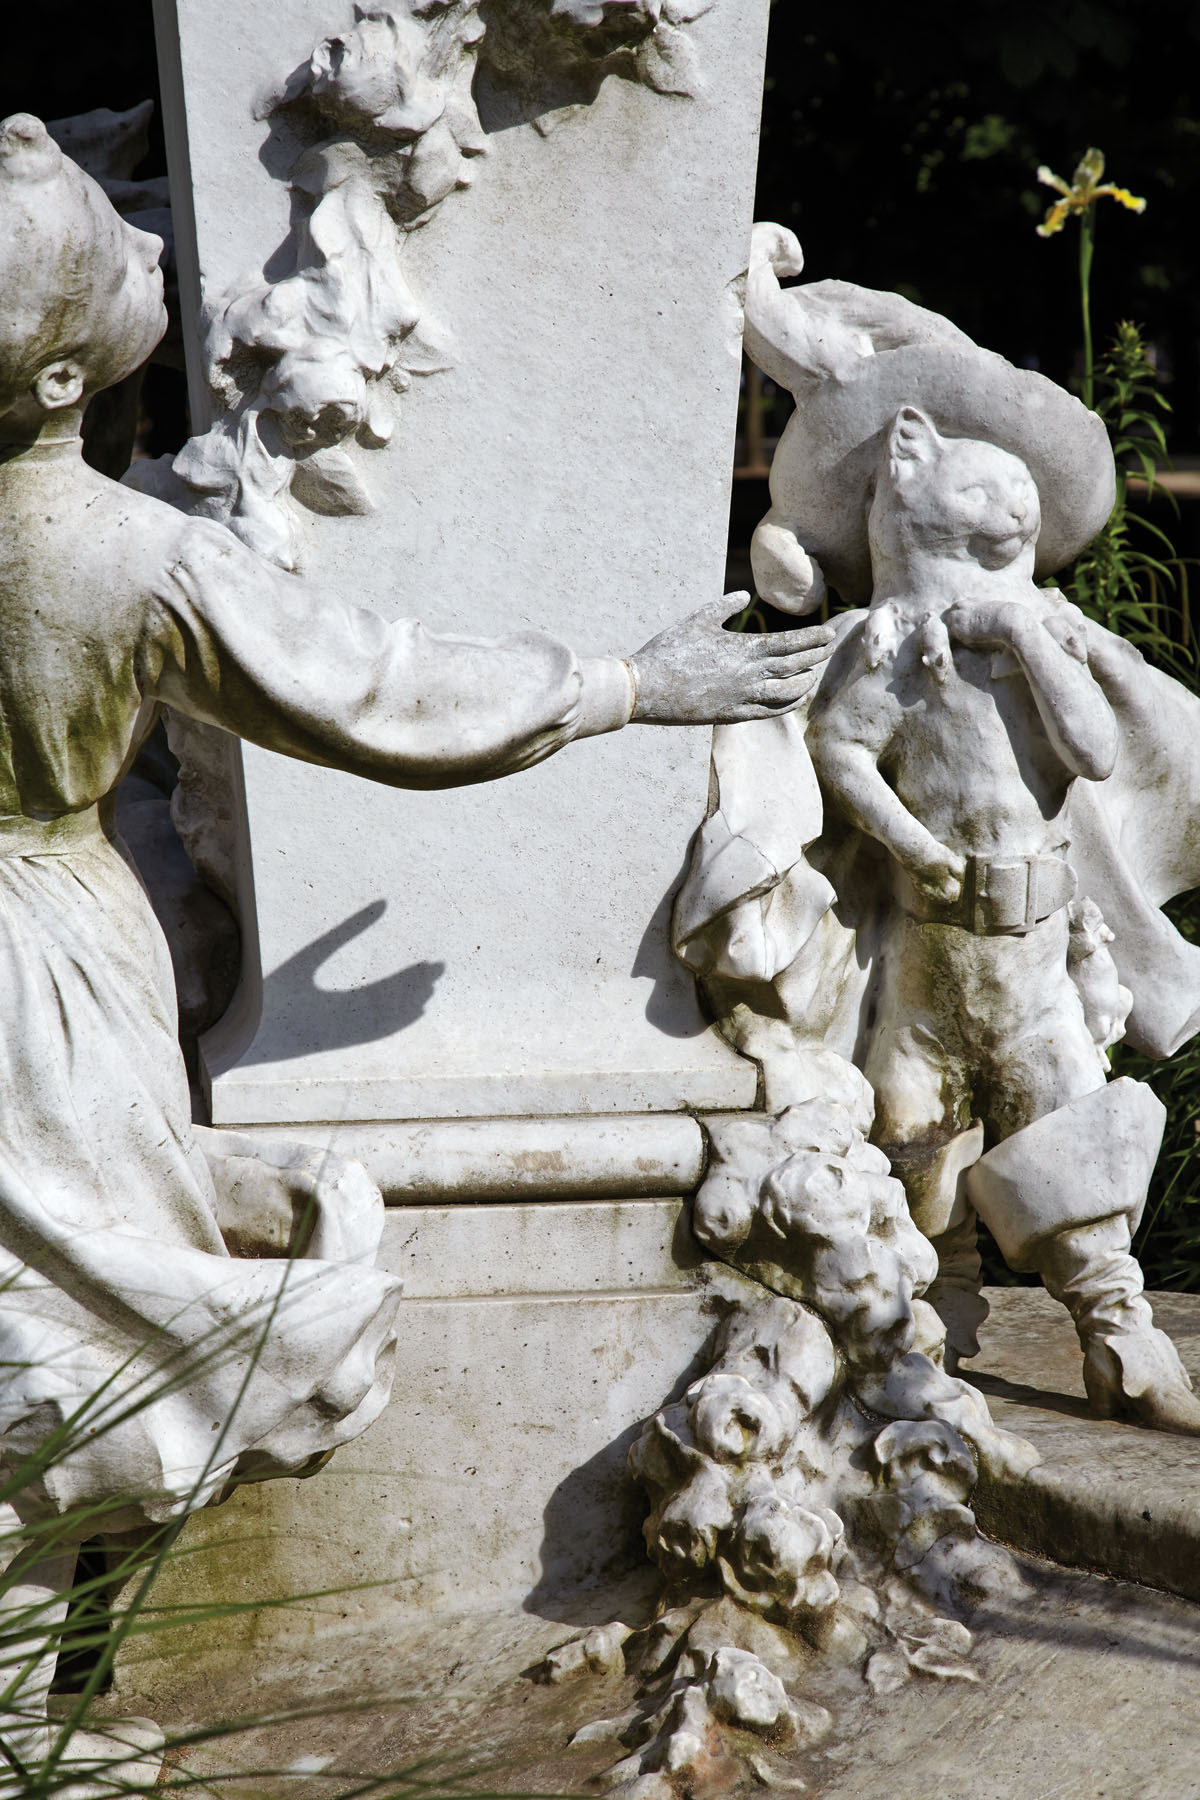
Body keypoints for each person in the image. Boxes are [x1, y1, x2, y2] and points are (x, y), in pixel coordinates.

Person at [0, 111, 833, 1771]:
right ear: (58, 381)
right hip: (44, 977)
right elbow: (376, 689)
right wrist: (626, 686)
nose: (161, 259)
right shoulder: (131, 558)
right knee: (58, 1333)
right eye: (118, 265)